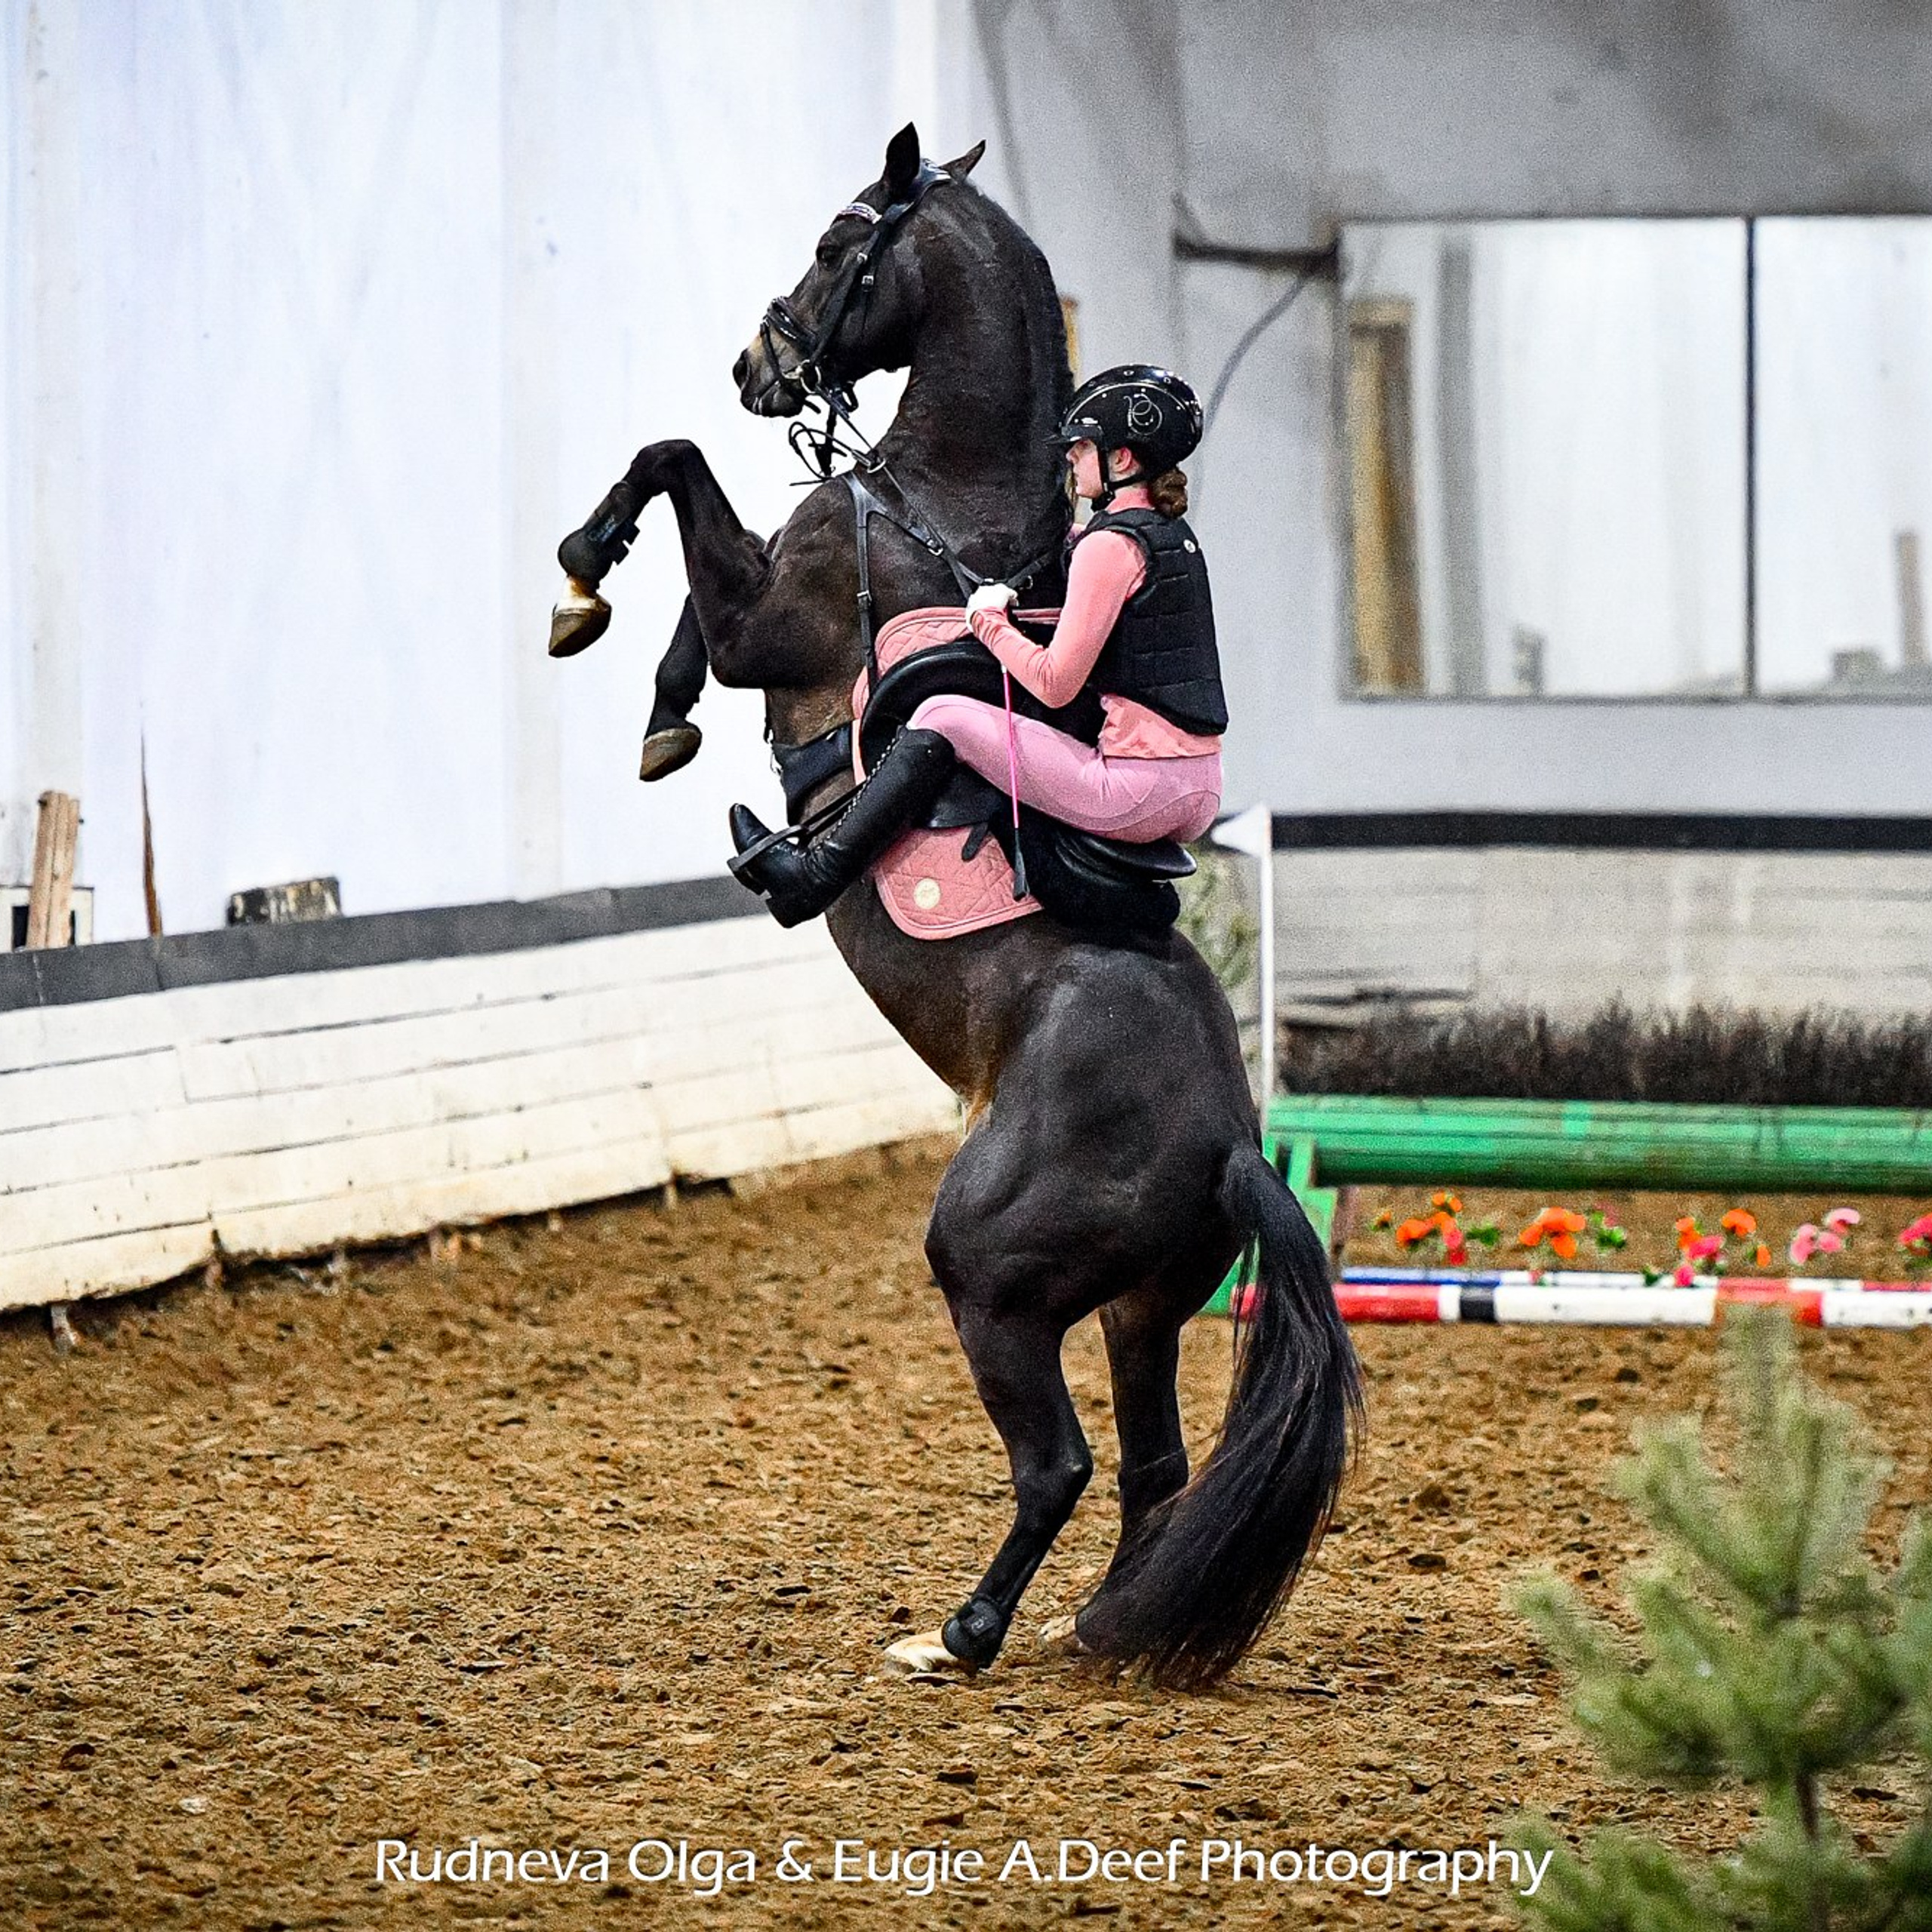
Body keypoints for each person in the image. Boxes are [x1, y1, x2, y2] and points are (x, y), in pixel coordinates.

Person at [728, 365, 1226, 928]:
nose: (1070, 458)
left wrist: (989, 620)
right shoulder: (1167, 536)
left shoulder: (1107, 547)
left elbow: (1056, 684)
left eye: (1082, 448)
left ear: (1123, 460)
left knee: (943, 716)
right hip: (1200, 788)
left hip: (1136, 788)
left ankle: (812, 877)